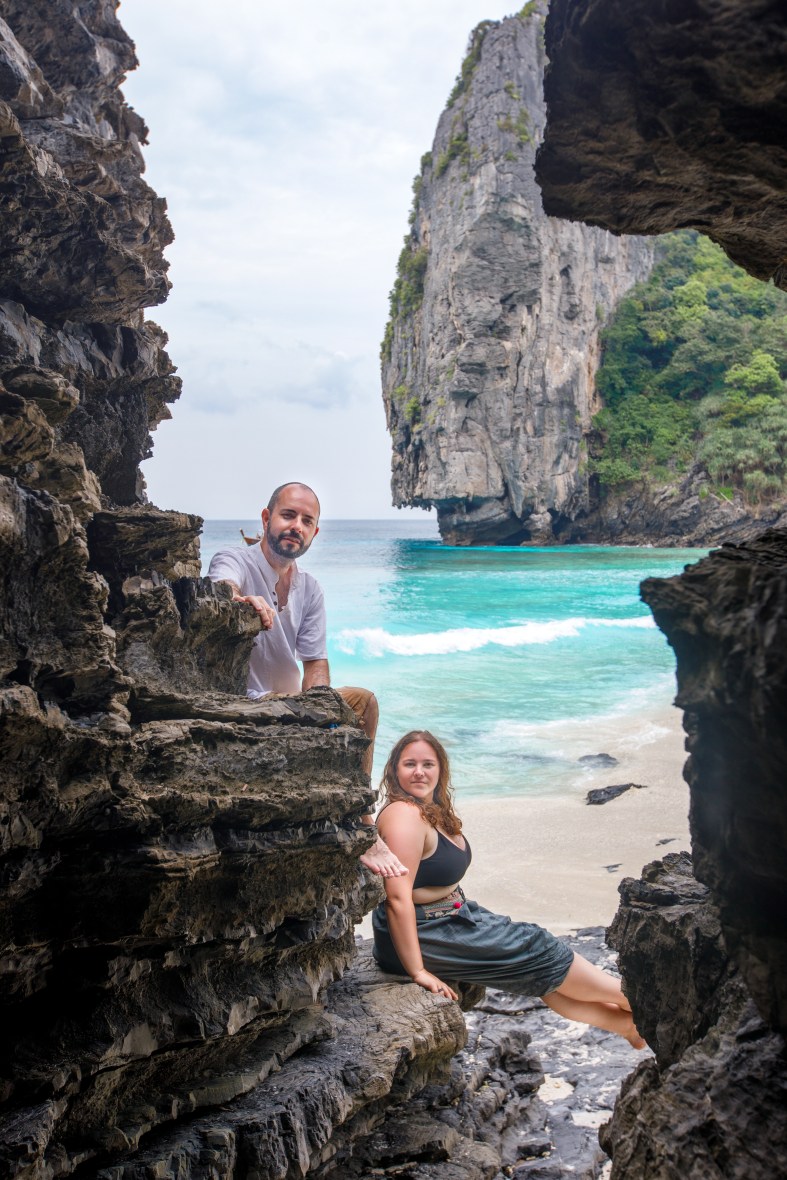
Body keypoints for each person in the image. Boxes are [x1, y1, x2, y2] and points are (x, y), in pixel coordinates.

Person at [372, 730, 646, 1048]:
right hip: (423, 931)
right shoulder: (403, 815)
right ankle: (641, 1005)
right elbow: (396, 897)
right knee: (541, 949)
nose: (419, 771)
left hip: (451, 917)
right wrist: (417, 970)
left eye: (428, 764)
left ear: (440, 770)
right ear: (394, 770)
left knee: (540, 974)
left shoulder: (430, 812)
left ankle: (627, 1025)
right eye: (410, 764)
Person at [208, 481, 406, 878]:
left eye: (306, 520)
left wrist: (321, 714)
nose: (295, 526)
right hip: (245, 704)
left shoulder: (309, 588)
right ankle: (366, 830)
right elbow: (220, 586)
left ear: (314, 532)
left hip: (291, 704)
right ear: (267, 519)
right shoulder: (235, 559)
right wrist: (240, 599)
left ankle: (360, 816)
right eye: (288, 515)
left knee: (362, 702)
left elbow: (315, 663)